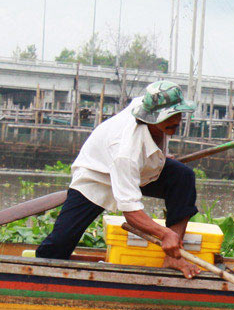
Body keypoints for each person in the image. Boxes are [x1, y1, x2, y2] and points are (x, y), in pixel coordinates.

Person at [36, 80, 200, 279]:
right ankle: (38, 273)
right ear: (151, 117)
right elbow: (131, 213)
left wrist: (159, 156)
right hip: (97, 177)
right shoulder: (126, 151)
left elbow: (151, 140)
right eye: (169, 116)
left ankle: (173, 257)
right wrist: (164, 234)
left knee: (182, 177)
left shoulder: (147, 105)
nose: (177, 119)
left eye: (178, 113)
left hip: (140, 169)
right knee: (60, 243)